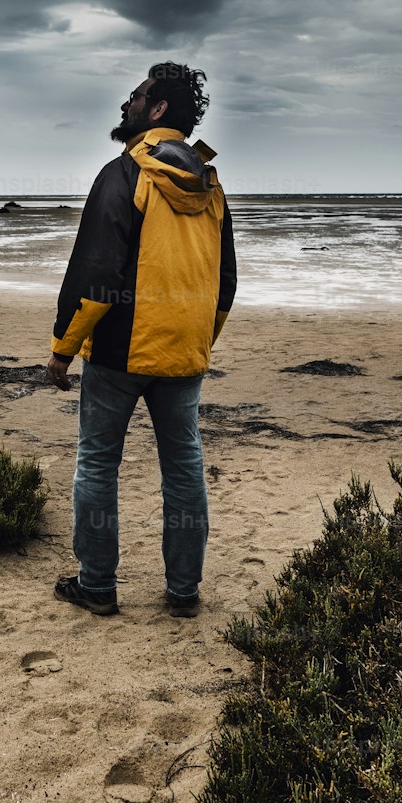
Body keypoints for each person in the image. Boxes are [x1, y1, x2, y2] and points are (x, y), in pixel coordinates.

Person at [44, 62, 237, 619]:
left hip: (119, 353)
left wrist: (63, 347)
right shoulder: (208, 182)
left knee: (98, 462)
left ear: (155, 111)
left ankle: (97, 585)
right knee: (183, 466)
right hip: (184, 352)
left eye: (136, 97)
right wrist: (202, 339)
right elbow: (224, 282)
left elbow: (95, 273)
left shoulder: (124, 174)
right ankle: (183, 593)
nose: (125, 105)